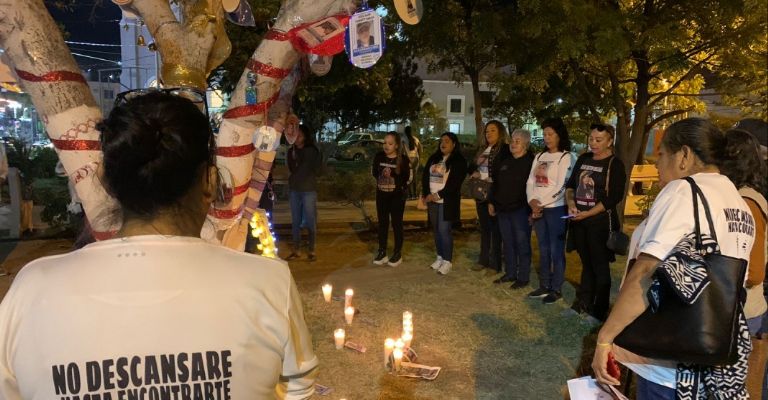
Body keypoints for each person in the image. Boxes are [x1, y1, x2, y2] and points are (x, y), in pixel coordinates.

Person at [0, 91, 318, 398]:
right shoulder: (268, 283)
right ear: (210, 181)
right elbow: (296, 389)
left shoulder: (33, 291)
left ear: (107, 182)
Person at [595, 118, 755, 399]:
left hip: (668, 363)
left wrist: (605, 338)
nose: (656, 164)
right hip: (711, 362)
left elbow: (646, 272)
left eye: (661, 155)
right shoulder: (738, 202)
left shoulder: (684, 191)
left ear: (684, 155)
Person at [721, 128, 767, 399]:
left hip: (742, 312)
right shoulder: (742, 195)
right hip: (737, 310)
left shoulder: (746, 201)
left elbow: (755, 270)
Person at [565, 123, 627, 325]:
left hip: (599, 224)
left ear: (610, 141)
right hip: (579, 222)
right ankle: (583, 302)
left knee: (600, 267)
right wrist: (571, 204)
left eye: (598, 140)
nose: (593, 143)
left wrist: (588, 214)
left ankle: (598, 312)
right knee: (586, 264)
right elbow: (571, 186)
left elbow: (614, 197)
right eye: (591, 138)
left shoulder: (614, 164)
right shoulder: (583, 159)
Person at [526, 117, 575, 304]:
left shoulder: (566, 157)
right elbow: (530, 181)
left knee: (556, 250)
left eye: (550, 134)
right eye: (544, 134)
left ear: (559, 135)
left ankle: (556, 288)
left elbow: (562, 186)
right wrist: (532, 201)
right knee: (543, 248)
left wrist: (540, 204)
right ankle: (544, 284)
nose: (547, 138)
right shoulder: (539, 157)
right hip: (537, 208)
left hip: (555, 209)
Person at [488, 129, 535, 289]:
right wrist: (491, 202)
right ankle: (510, 273)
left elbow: (534, 189)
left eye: (518, 141)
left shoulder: (531, 163)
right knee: (507, 243)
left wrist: (531, 211)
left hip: (520, 210)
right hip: (503, 209)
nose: (513, 144)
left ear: (526, 144)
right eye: (512, 140)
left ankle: (523, 277)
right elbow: (496, 183)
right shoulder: (505, 161)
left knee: (522, 243)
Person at [422, 132, 467, 275]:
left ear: (454, 144)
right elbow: (424, 176)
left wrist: (437, 195)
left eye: (447, 141)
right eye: (441, 141)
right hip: (432, 200)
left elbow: (455, 183)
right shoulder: (434, 158)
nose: (443, 143)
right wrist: (426, 194)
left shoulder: (459, 160)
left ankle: (447, 261)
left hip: (446, 201)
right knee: (436, 230)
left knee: (444, 231)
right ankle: (440, 257)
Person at [470, 120, 506, 276]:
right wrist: (475, 172)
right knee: (485, 229)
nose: (488, 133)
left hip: (494, 194)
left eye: (492, 130)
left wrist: (490, 177)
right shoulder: (483, 149)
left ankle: (495, 264)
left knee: (496, 230)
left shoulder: (504, 150)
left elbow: (503, 172)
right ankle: (483, 259)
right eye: (486, 131)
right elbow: (471, 166)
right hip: (480, 193)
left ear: (500, 132)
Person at [372, 131, 411, 267]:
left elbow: (406, 178)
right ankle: (382, 251)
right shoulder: (379, 157)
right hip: (381, 196)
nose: (386, 146)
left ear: (396, 145)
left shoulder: (403, 160)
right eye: (384, 143)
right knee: (382, 223)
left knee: (396, 224)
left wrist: (397, 187)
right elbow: (375, 173)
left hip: (397, 197)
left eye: (390, 143)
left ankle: (397, 253)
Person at [286, 125, 322, 262]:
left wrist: (297, 158)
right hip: (295, 189)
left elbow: (307, 167)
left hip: (308, 190)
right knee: (295, 221)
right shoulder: (291, 151)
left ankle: (312, 249)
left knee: (310, 220)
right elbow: (292, 168)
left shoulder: (311, 151)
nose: (297, 138)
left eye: (300, 135)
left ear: (305, 136)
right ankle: (297, 249)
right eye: (295, 135)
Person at [404, 126, 422, 200]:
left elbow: (403, 151)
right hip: (415, 159)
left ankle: (409, 195)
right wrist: (419, 159)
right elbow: (420, 150)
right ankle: (415, 195)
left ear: (405, 131)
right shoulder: (416, 139)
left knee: (407, 178)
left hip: (407, 159)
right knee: (414, 177)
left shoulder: (403, 139)